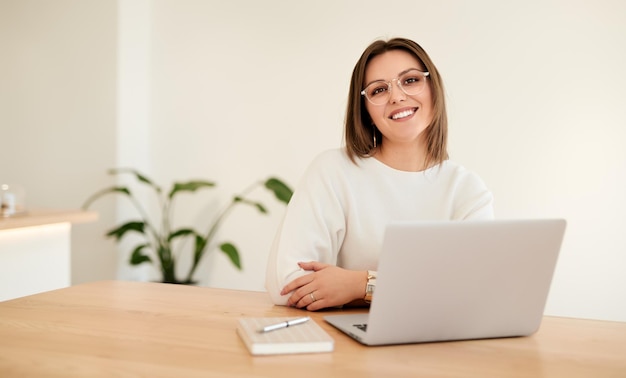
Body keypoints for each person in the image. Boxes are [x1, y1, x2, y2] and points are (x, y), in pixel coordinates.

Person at [265, 37, 494, 311]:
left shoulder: (468, 191)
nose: (396, 96)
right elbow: (289, 285)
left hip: (437, 344)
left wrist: (361, 284)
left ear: (434, 88)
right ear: (366, 110)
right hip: (340, 344)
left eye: (410, 80)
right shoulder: (332, 172)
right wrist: (421, 289)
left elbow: (474, 291)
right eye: (379, 90)